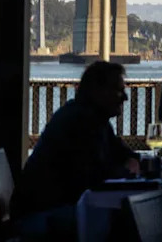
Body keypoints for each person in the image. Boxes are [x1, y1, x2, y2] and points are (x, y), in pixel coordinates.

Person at [11, 61, 139, 236]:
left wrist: (127, 165)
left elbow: (125, 155)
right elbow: (92, 177)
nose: (125, 97)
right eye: (118, 90)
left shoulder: (94, 119)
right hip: (42, 214)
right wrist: (126, 170)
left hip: (48, 209)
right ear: (98, 92)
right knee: (121, 224)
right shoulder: (79, 121)